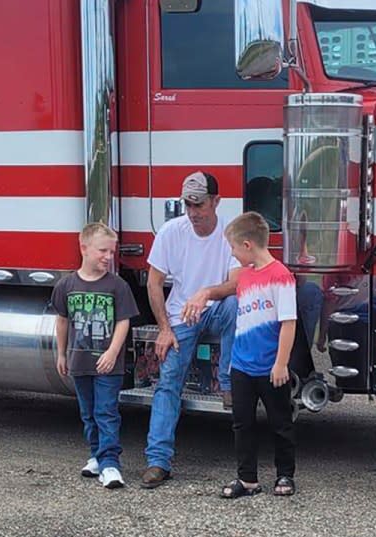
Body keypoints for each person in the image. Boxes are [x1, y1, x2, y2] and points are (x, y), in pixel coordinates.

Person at [142, 171, 240, 489]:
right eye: (188, 204)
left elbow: (236, 282)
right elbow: (154, 283)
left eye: (199, 204)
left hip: (214, 309)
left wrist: (206, 293)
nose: (193, 212)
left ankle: (227, 383)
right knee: (168, 383)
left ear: (216, 201)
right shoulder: (172, 231)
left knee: (237, 304)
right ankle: (158, 462)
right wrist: (164, 329)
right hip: (180, 317)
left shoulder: (229, 232)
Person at [51, 223, 139, 489]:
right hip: (79, 362)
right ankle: (96, 455)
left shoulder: (117, 285)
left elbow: (123, 322)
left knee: (106, 411)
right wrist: (62, 355)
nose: (108, 257)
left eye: (111, 252)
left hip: (107, 364)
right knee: (88, 413)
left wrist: (113, 352)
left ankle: (111, 464)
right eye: (103, 251)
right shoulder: (66, 285)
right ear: (84, 248)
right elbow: (62, 320)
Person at [220, 212, 298, 499]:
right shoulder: (245, 277)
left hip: (270, 366)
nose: (232, 253)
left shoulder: (281, 277)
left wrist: (281, 363)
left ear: (248, 245)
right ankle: (247, 478)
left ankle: (285, 474)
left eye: (234, 248)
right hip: (241, 364)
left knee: (280, 422)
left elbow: (288, 323)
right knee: (242, 423)